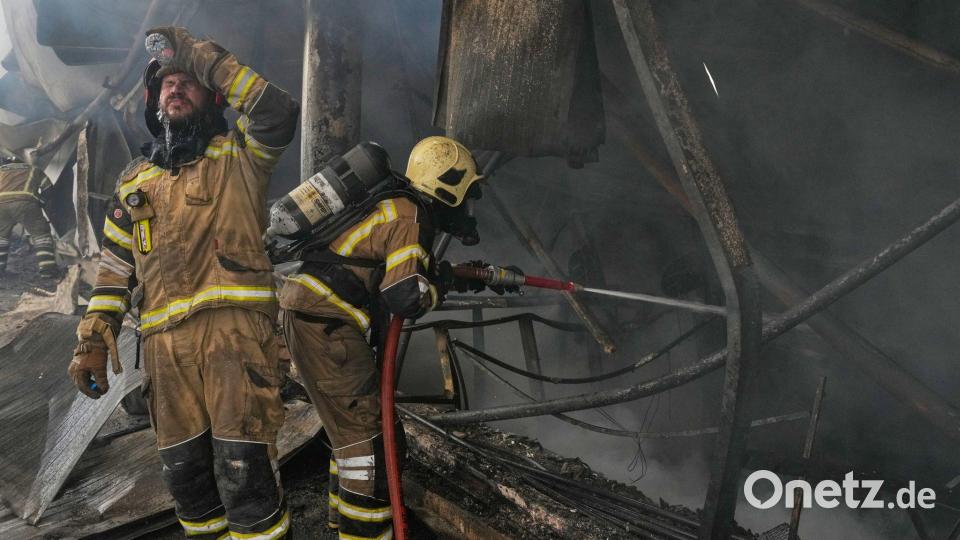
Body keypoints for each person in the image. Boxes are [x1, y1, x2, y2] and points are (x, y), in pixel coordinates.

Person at [68, 26, 299, 539]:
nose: (174, 88)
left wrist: (197, 55)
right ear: (154, 103)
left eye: (186, 82)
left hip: (234, 340)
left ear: (212, 96)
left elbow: (277, 111)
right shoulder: (134, 184)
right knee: (188, 483)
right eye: (166, 84)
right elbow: (113, 271)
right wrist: (91, 339)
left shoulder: (241, 157)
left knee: (245, 478)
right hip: (164, 353)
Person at [278, 136, 487, 539]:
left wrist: (444, 275)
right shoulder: (411, 217)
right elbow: (406, 296)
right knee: (370, 448)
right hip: (327, 327)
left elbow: (390, 272)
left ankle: (342, 526)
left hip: (312, 318)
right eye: (467, 192)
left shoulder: (393, 204)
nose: (468, 205)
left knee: (352, 437)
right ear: (448, 185)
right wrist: (439, 284)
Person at [0, 159, 57, 277]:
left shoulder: (1, 170)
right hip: (25, 204)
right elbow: (48, 189)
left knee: (1, 238)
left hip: (1, 204)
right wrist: (41, 202)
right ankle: (47, 271)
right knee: (41, 234)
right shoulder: (34, 169)